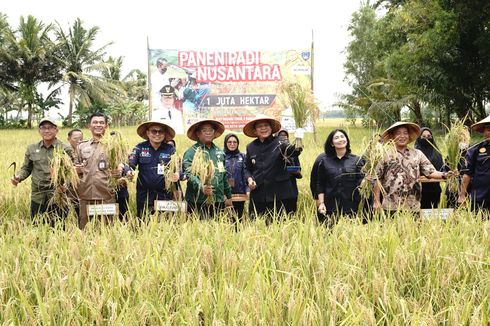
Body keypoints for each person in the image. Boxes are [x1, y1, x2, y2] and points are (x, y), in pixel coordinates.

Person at [373, 122, 448, 214]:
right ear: (392, 136)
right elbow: (376, 178)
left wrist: (445, 175)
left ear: (409, 136)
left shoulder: (417, 154)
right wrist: (376, 201)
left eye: (405, 133)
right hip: (390, 206)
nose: (402, 136)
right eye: (398, 133)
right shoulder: (384, 155)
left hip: (413, 206)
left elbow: (430, 171)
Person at [11, 118, 72, 222]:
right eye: (43, 128)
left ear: (56, 130)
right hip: (38, 195)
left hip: (58, 195)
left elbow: (71, 172)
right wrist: (18, 177)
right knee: (36, 226)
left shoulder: (65, 149)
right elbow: (26, 168)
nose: (46, 131)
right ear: (39, 131)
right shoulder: (32, 148)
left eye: (50, 128)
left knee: (59, 228)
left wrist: (66, 185)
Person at [243, 115, 302, 218]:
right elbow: (247, 168)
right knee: (257, 226)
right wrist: (249, 179)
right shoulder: (251, 147)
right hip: (259, 194)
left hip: (280, 195)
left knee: (281, 226)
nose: (263, 128)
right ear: (255, 131)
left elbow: (292, 151)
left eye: (266, 125)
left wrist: (299, 140)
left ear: (271, 128)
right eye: (260, 126)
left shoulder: (280, 141)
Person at [75, 113, 121, 229]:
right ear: (89, 126)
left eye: (101, 123)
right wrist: (77, 169)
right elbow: (74, 168)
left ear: (106, 126)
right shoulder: (81, 146)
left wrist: (119, 171)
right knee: (85, 229)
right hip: (85, 195)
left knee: (107, 230)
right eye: (95, 122)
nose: (98, 125)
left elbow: (122, 165)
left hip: (106, 195)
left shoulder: (114, 145)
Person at [183, 119, 232, 218]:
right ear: (198, 133)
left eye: (211, 130)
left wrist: (229, 196)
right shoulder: (191, 152)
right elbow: (189, 173)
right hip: (197, 200)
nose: (208, 133)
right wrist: (201, 187)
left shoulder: (220, 152)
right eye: (204, 130)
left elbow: (223, 175)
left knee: (218, 229)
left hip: (218, 200)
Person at [128, 121, 178, 219]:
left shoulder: (170, 150)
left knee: (164, 225)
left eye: (161, 131)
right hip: (144, 195)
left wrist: (176, 174)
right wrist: (129, 172)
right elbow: (130, 164)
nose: (157, 134)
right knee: (143, 223)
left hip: (164, 195)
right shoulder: (139, 148)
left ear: (164, 134)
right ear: (147, 133)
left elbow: (178, 168)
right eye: (154, 131)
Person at [316, 129, 364, 225]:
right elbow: (320, 184)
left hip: (350, 205)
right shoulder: (324, 161)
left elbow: (361, 182)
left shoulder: (357, 160)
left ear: (346, 140)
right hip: (329, 206)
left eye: (342, 136)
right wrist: (321, 203)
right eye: (336, 138)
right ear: (332, 143)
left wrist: (366, 180)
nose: (340, 139)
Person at [458, 116, 490, 211]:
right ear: (484, 132)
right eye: (488, 129)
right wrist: (462, 195)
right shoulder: (475, 150)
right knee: (479, 223)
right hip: (480, 197)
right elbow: (467, 174)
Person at [414, 127, 445, 208]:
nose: (427, 139)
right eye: (423, 136)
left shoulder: (437, 153)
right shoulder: (414, 154)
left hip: (435, 189)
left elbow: (441, 169)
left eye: (429, 136)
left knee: (433, 215)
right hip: (419, 191)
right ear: (419, 138)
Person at [224, 133, 249, 221]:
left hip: (240, 193)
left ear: (238, 144)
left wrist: (247, 190)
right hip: (225, 194)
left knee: (238, 219)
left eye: (235, 142)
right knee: (226, 220)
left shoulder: (243, 157)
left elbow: (246, 174)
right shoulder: (222, 157)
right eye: (229, 142)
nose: (232, 144)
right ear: (225, 143)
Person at [277, 129, 302, 213]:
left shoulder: (293, 152)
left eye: (285, 136)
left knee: (291, 213)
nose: (283, 138)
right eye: (280, 136)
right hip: (278, 189)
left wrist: (290, 167)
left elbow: (299, 171)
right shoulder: (275, 152)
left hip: (291, 188)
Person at [67, 128, 84, 217]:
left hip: (84, 189)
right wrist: (73, 170)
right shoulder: (64, 152)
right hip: (69, 189)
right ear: (68, 139)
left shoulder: (85, 150)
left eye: (81, 138)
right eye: (75, 139)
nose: (79, 141)